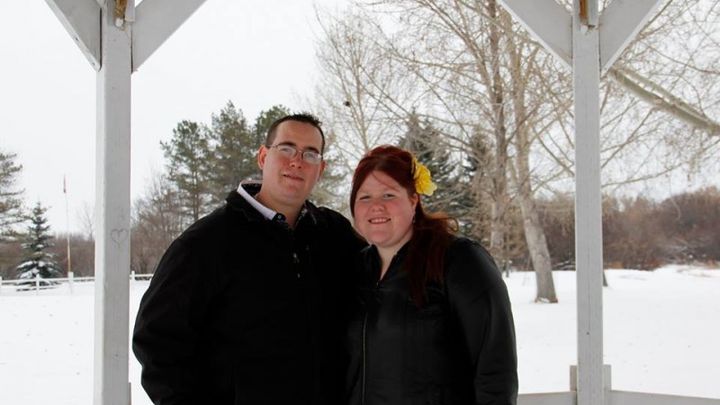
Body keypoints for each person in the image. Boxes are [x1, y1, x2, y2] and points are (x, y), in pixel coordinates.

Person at [132, 113, 365, 405]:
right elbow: (157, 342)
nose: (297, 161)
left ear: (321, 169)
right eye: (287, 148)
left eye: (310, 154)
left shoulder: (335, 235)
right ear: (263, 157)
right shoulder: (206, 242)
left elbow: (387, 281)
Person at [345, 145, 518, 405]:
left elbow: (495, 369)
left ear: (413, 200)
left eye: (389, 195)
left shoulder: (458, 260)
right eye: (365, 197)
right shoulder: (353, 270)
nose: (376, 206)